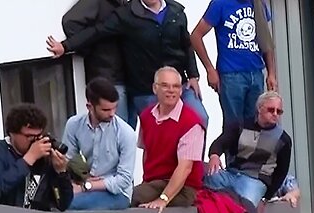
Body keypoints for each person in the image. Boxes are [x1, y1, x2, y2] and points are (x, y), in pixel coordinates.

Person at [46, 0, 208, 130]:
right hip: (146, 89)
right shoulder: (126, 15)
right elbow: (97, 32)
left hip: (178, 86)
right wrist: (66, 46)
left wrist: (193, 75)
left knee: (200, 118)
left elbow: (186, 43)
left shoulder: (176, 11)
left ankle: (194, 167)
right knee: (161, 134)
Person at [203, 90, 292, 213]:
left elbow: (281, 172)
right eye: (271, 110)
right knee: (205, 180)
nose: (275, 114)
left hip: (257, 180)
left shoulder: (283, 140)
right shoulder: (240, 126)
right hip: (233, 173)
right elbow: (220, 142)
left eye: (279, 111)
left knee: (246, 207)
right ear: (259, 109)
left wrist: (266, 196)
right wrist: (213, 156)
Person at [191, 0, 278, 127]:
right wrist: (209, 69)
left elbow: (265, 40)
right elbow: (196, 36)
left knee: (255, 124)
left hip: (256, 72)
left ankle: (249, 148)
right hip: (231, 75)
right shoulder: (220, 4)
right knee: (233, 127)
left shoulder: (259, 4)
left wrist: (271, 73)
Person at [131, 67, 205, 211]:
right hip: (155, 183)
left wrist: (163, 199)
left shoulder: (192, 121)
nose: (171, 90)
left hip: (185, 187)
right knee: (126, 196)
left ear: (181, 90)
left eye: (176, 86)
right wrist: (146, 182)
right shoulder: (146, 116)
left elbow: (185, 168)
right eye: (165, 85)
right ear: (155, 88)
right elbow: (147, 153)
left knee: (132, 198)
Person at [0, 103, 74, 212]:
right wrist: (28, 159)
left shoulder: (45, 157)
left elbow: (63, 203)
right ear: (12, 133)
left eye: (38, 136)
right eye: (29, 136)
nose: (35, 141)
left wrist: (61, 173)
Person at [62, 78, 137, 211]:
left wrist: (86, 186)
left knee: (70, 206)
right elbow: (67, 160)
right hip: (87, 184)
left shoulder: (126, 133)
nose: (112, 113)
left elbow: (124, 180)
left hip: (117, 193)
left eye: (115, 108)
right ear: (90, 106)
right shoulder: (74, 124)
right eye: (106, 110)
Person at [61, 0, 134, 125]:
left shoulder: (128, 4)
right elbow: (70, 22)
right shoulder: (96, 2)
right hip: (108, 77)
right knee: (115, 129)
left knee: (127, 131)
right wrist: (88, 48)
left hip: (129, 78)